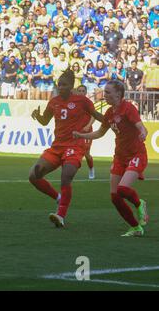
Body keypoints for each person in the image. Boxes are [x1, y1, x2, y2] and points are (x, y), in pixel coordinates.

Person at [73, 80, 149, 237]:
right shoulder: (109, 113)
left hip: (136, 154)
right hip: (120, 157)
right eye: (104, 91)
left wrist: (143, 132)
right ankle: (135, 227)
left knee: (122, 189)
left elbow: (141, 126)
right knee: (115, 196)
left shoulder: (128, 108)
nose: (104, 95)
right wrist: (81, 135)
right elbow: (100, 133)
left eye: (107, 92)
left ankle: (139, 203)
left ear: (118, 94)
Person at [29, 69, 104, 228]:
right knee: (33, 176)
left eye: (64, 85)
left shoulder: (81, 101)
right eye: (59, 85)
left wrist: (113, 121)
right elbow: (44, 121)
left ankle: (60, 215)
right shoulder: (54, 101)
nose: (60, 87)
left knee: (66, 175)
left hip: (74, 146)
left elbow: (96, 115)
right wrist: (38, 115)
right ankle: (58, 197)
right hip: (57, 147)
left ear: (71, 86)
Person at [76, 84, 96, 179]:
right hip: (76, 131)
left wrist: (88, 126)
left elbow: (94, 116)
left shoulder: (88, 103)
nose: (81, 92)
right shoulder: (73, 103)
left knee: (86, 153)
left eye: (83, 91)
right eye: (79, 91)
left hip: (87, 132)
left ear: (86, 92)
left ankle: (91, 169)